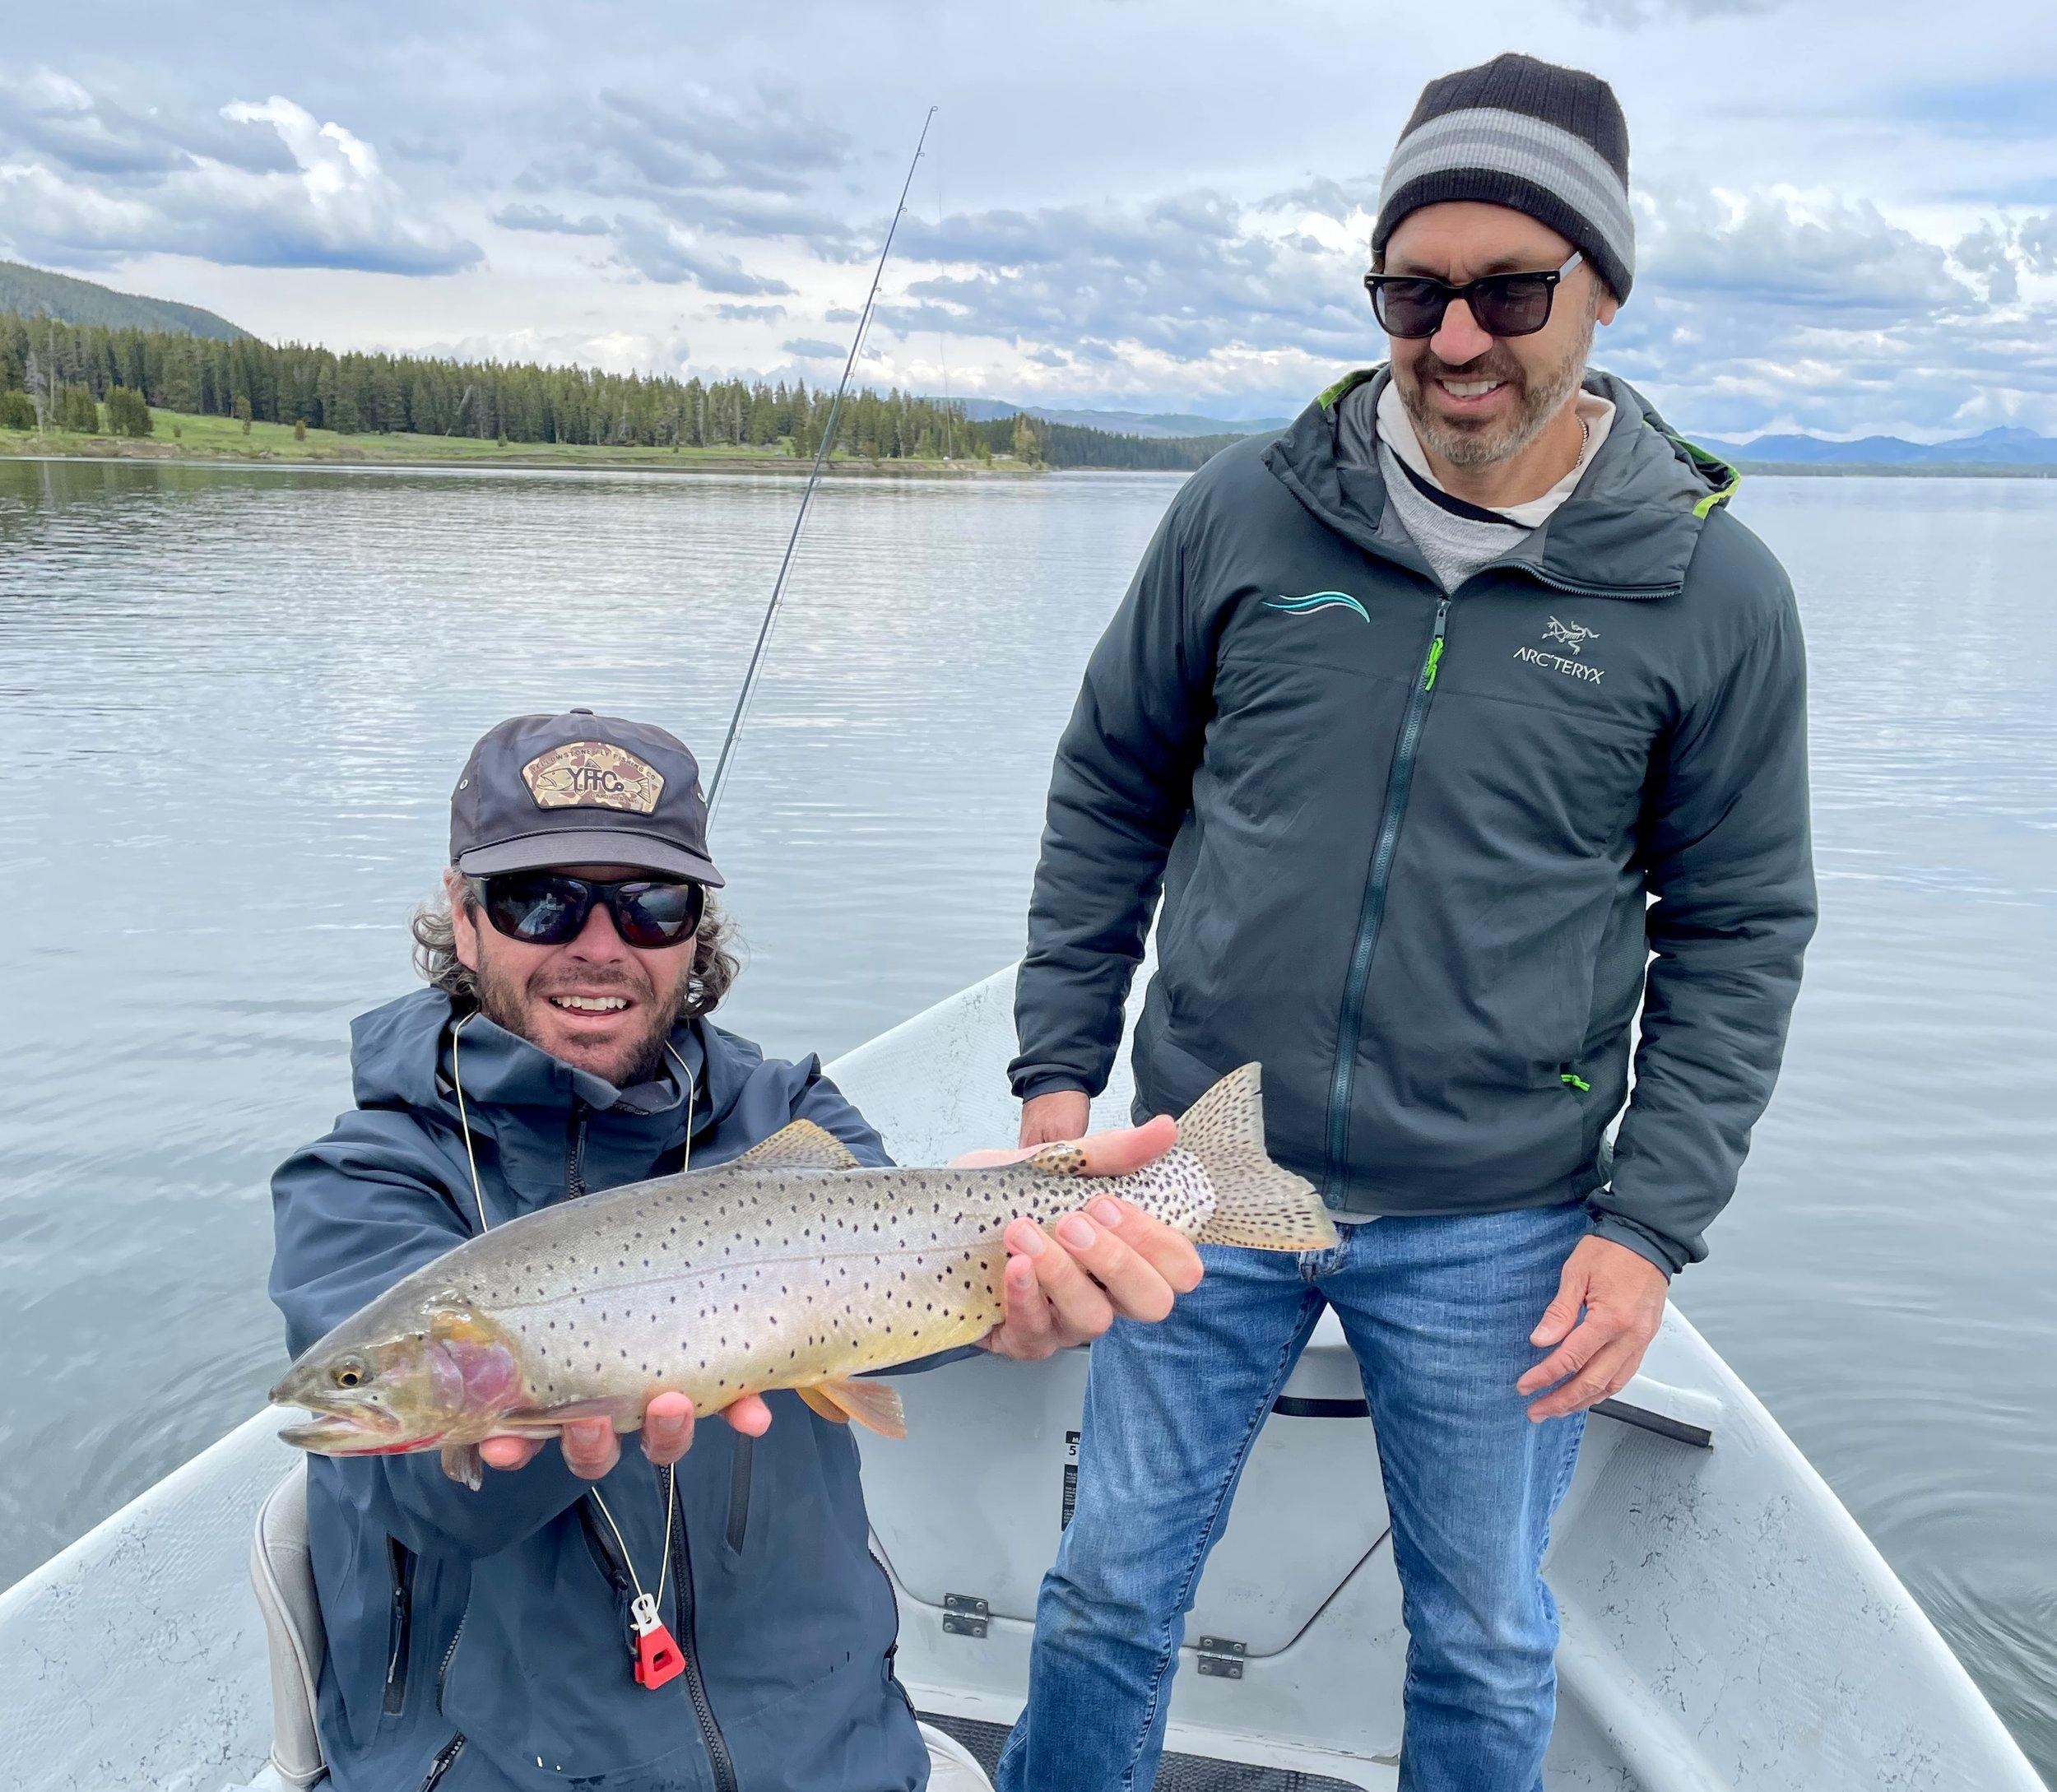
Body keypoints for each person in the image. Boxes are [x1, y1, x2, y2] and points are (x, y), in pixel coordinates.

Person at [999, 53, 1816, 1792]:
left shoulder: (1708, 590)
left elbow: (1737, 931)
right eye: (1410, 290)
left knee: (1485, 1634)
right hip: (1188, 1168)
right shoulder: (1241, 510)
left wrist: (1649, 1223)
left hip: (1501, 1218)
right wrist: (1056, 1083)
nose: (1454, 341)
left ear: (1599, 287)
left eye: (1509, 290)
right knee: (1105, 1590)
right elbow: (1107, 793)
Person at [268, 708, 1200, 1792]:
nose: (598, 943)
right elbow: (417, 1500)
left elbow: (888, 1306)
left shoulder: (785, 1107)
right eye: (541, 899)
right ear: (463, 917)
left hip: (834, 1755)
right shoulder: (364, 1180)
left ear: (696, 930)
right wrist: (514, 1441)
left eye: (650, 905)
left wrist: (1019, 1280)